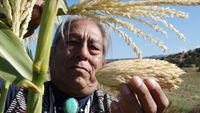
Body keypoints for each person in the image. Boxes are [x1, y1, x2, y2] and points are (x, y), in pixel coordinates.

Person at [0, 2, 169, 113]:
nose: (83, 53)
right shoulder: (11, 94)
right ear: (50, 55)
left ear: (103, 63)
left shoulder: (117, 108)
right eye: (72, 42)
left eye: (94, 48)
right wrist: (7, 18)